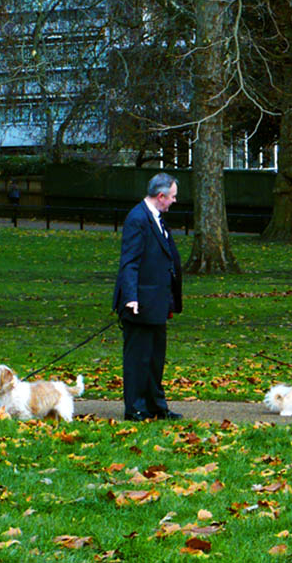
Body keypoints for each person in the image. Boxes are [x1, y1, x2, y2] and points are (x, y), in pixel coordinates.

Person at [112, 173, 183, 421]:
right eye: (172, 196)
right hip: (139, 303)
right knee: (138, 359)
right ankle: (135, 408)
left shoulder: (156, 218)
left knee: (155, 358)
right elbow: (129, 262)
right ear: (161, 196)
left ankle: (156, 405)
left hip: (157, 302)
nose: (174, 201)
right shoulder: (138, 219)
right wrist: (130, 297)